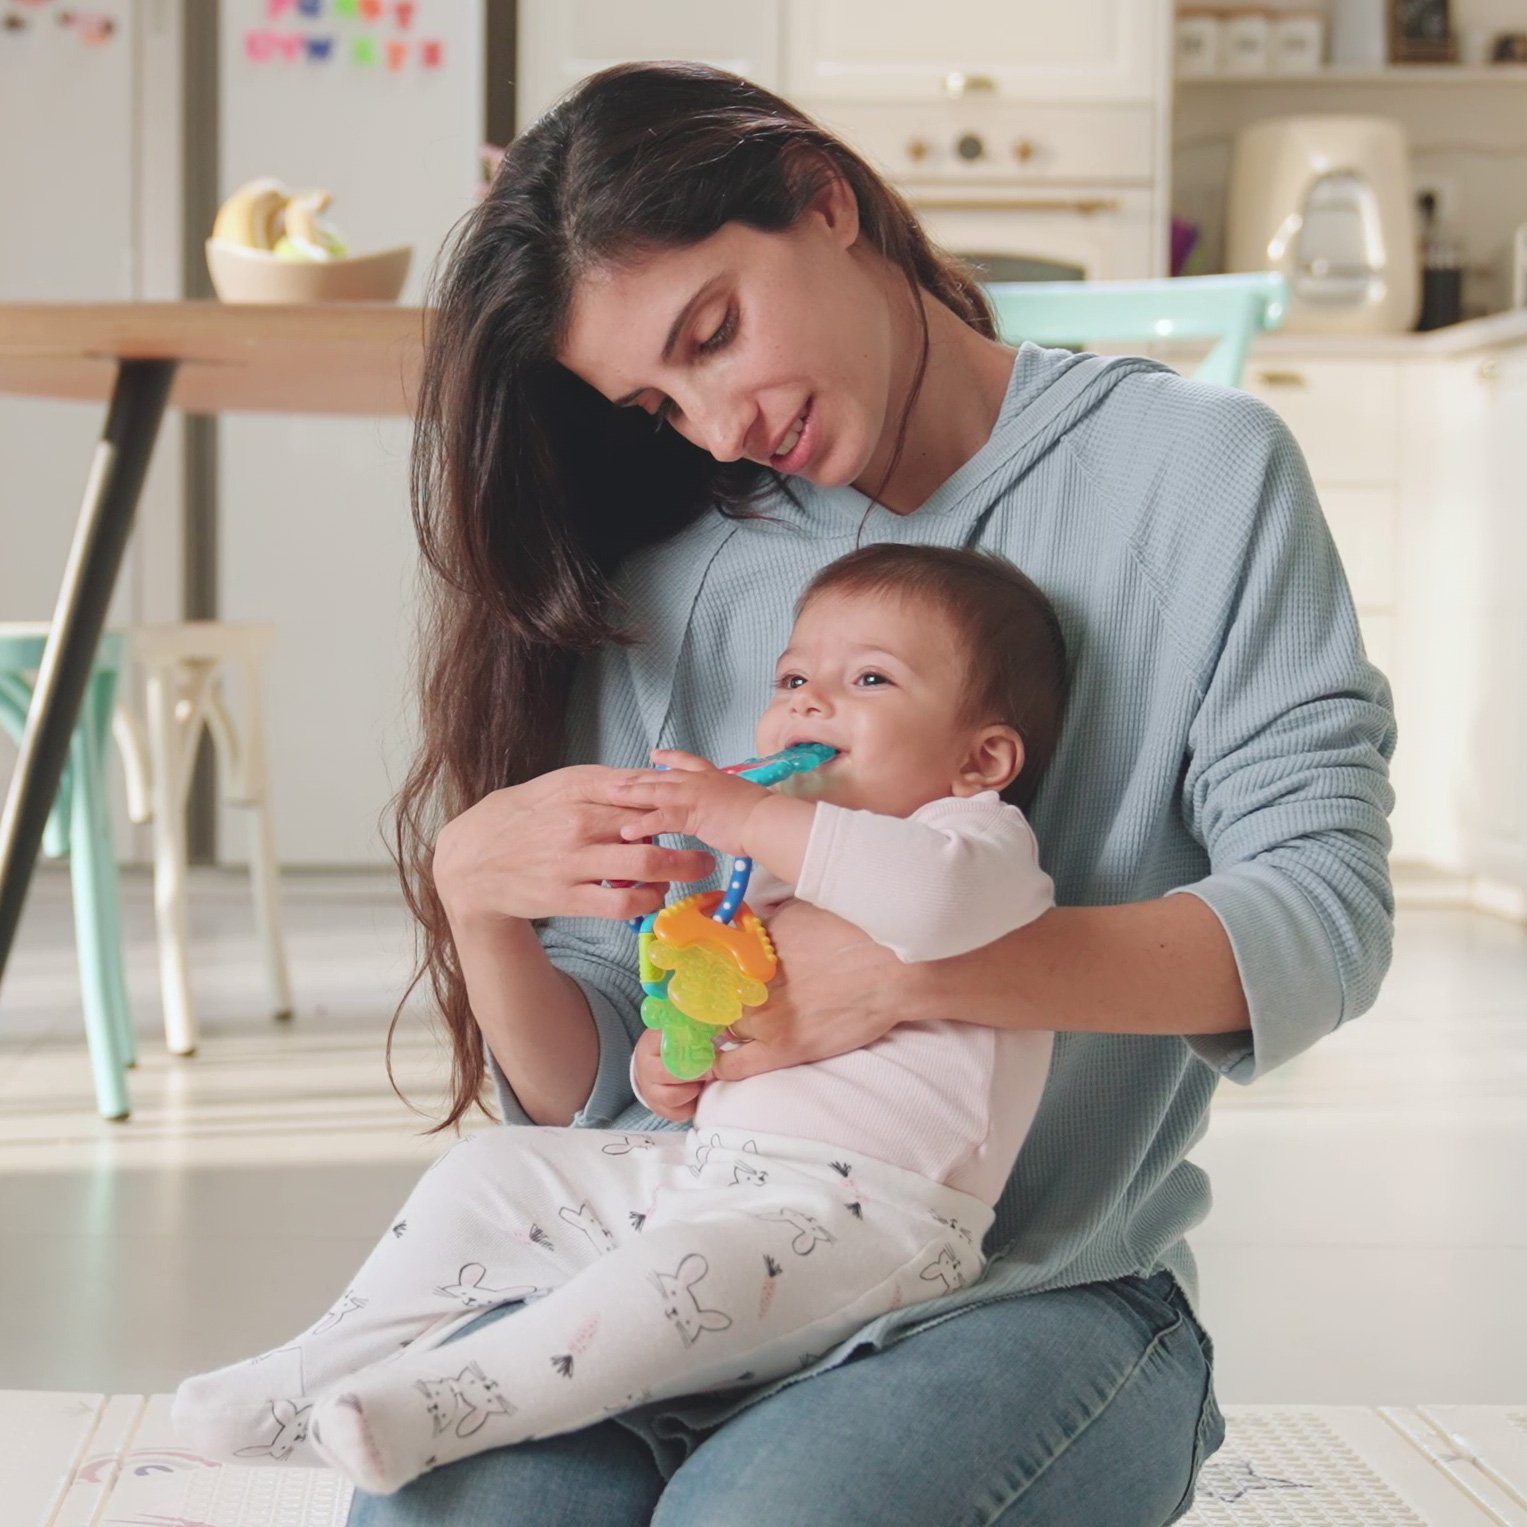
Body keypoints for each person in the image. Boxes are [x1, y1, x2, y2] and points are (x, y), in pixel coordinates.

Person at [344, 59, 1394, 1526]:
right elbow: (598, 1078)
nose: (714, 424)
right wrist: (475, 902)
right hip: (667, 1263)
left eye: (713, 333)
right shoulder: (677, 569)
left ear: (821, 202)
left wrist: (908, 974)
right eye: (657, 397)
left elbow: (1320, 916)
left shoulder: (1194, 473)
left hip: (1032, 1293)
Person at [170, 544, 1065, 1497]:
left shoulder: (974, 841)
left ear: (982, 759)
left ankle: (453, 1400)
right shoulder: (759, 877)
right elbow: (700, 1020)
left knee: (682, 1277)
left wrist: (741, 815)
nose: (807, 703)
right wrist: (662, 1068)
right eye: (793, 677)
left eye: (869, 679)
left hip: (874, 1217)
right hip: (711, 1171)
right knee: (492, 1171)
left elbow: (927, 912)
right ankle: (315, 1372)